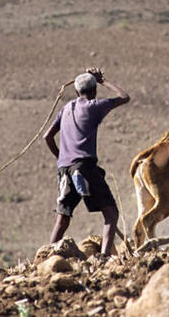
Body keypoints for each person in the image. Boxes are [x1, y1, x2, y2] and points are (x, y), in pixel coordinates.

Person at [43, 67, 130, 257]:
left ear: (76, 92)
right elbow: (124, 97)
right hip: (84, 167)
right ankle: (104, 258)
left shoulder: (66, 109)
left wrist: (62, 158)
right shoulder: (94, 106)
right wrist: (103, 80)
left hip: (64, 170)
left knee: (62, 219)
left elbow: (47, 137)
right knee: (111, 214)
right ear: (94, 91)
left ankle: (47, 257)